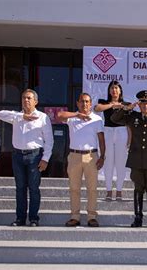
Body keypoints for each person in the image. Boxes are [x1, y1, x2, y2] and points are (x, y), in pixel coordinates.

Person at [111, 90, 147, 228]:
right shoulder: (132, 117)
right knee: (138, 189)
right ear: (139, 105)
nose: (145, 106)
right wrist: (126, 109)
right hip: (136, 160)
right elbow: (114, 119)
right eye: (142, 104)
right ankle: (137, 218)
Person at [0, 89, 53, 227]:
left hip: (35, 156)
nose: (26, 100)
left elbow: (49, 140)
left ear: (36, 101)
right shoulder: (16, 116)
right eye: (24, 98)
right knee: (20, 188)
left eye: (29, 98)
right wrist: (21, 117)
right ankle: (20, 219)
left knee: (34, 188)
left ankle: (34, 218)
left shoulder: (42, 117)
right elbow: (0, 114)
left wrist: (45, 158)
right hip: (17, 155)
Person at [58, 93, 105, 227]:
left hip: (91, 156)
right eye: (82, 102)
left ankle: (91, 216)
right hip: (74, 156)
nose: (84, 104)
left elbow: (101, 140)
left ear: (91, 104)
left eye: (87, 102)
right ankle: (75, 216)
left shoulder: (97, 119)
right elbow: (59, 115)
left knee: (92, 189)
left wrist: (102, 156)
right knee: (74, 188)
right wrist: (76, 115)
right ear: (78, 103)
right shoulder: (72, 118)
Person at [94, 80, 130, 201]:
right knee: (108, 162)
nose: (114, 90)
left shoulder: (126, 104)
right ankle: (108, 191)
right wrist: (113, 105)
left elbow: (129, 124)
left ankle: (119, 191)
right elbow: (97, 109)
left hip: (122, 132)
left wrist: (130, 139)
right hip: (108, 131)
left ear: (120, 90)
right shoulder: (104, 102)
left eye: (116, 88)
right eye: (112, 88)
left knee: (121, 163)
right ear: (109, 90)